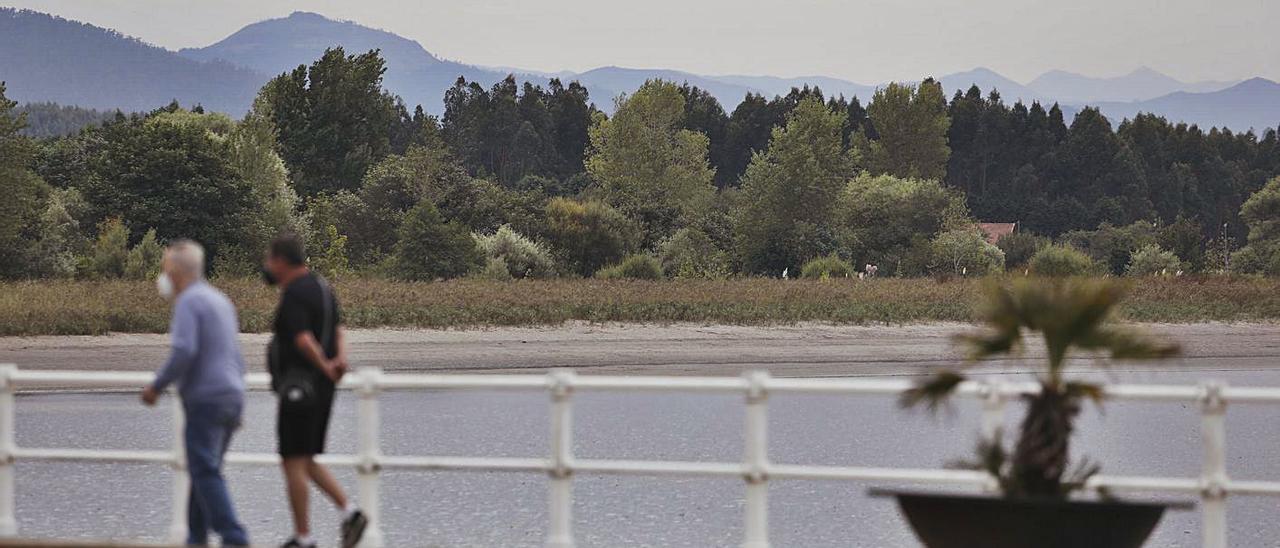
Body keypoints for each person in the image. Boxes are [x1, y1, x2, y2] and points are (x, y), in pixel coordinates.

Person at [140, 240, 250, 547]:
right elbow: (237, 358)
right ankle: (196, 538)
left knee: (204, 470)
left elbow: (184, 350)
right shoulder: (220, 300)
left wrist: (156, 387)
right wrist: (237, 406)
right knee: (204, 471)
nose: (163, 276)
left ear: (175, 271)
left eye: (164, 268)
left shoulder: (188, 301)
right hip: (231, 395)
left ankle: (234, 536)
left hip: (206, 398)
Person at [263, 233, 368, 548]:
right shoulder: (323, 288)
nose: (267, 266)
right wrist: (339, 362)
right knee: (305, 457)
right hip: (322, 391)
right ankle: (350, 513)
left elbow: (302, 338)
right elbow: (339, 330)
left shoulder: (294, 293)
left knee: (292, 460)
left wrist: (324, 365)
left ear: (280, 261)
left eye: (269, 260)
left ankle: (304, 537)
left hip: (299, 389)